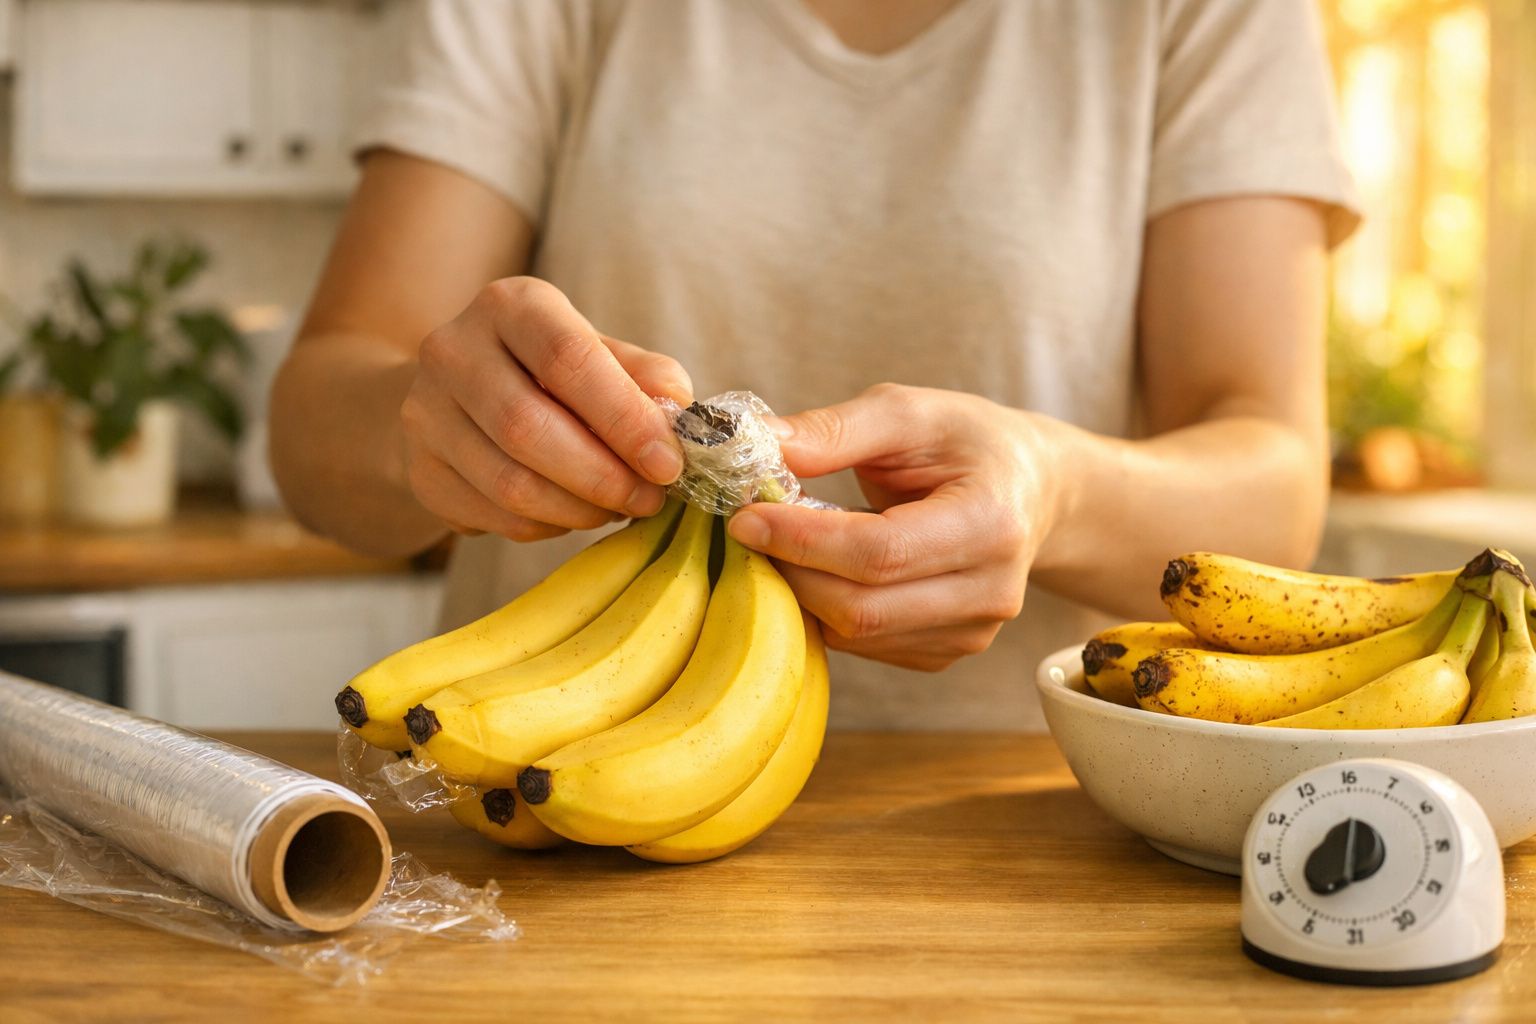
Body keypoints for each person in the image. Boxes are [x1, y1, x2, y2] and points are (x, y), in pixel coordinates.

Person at [271, 0, 1360, 731]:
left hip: (1024, 838)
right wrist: (436, 426)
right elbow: (313, 425)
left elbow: (1272, 495)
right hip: (537, 792)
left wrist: (1052, 491)